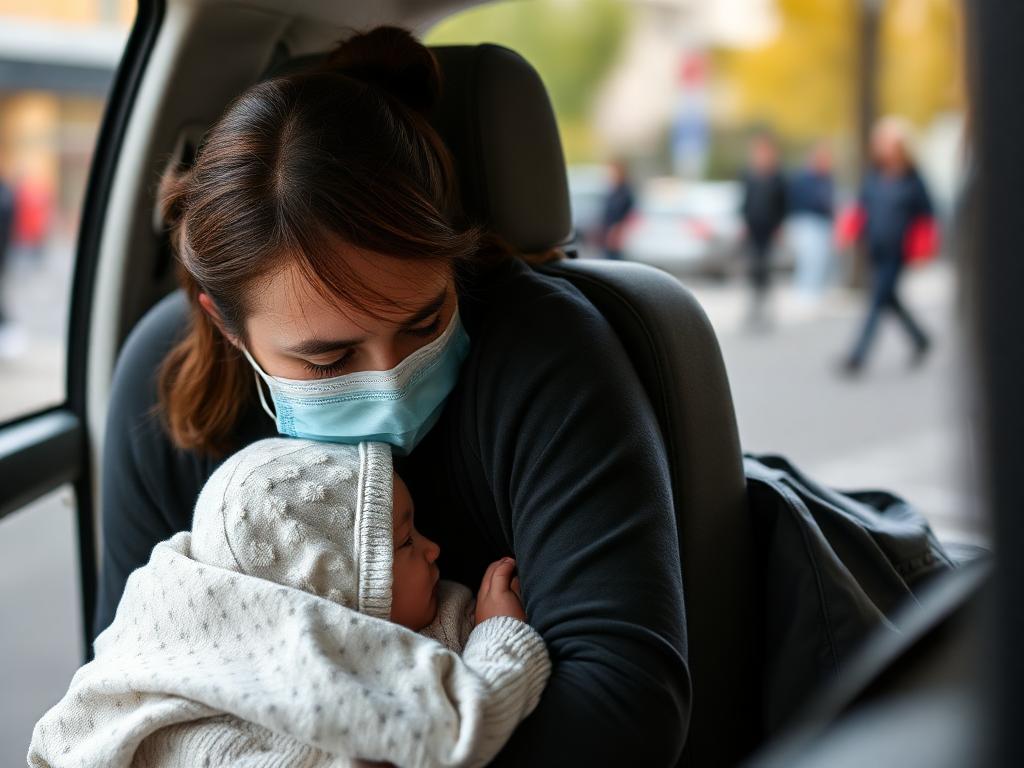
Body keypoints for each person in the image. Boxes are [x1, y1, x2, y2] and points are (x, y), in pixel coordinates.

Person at [93, 26, 689, 766]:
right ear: (229, 328)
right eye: (329, 357)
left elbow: (622, 715)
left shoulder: (547, 354)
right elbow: (138, 688)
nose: (389, 378)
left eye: (423, 322)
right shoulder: (165, 390)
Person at [30, 439, 550, 767]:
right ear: (334, 598)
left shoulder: (444, 608)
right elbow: (462, 725)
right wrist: (500, 635)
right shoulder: (213, 735)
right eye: (406, 541)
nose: (436, 549)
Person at [843, 117, 933, 373]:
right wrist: (851, 233)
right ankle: (921, 339)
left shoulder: (913, 179)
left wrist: (924, 246)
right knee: (889, 299)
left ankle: (857, 356)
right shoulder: (873, 176)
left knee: (877, 301)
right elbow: (862, 208)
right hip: (876, 248)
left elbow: (926, 214)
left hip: (898, 251)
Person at [739, 132, 788, 327]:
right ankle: (753, 308)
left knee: (766, 268)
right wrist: (743, 223)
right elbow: (745, 201)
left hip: (769, 229)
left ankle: (767, 309)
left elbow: (783, 204)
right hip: (753, 228)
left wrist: (780, 226)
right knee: (753, 268)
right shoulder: (749, 175)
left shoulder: (777, 177)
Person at [787, 142, 835, 306]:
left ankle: (814, 291)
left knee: (820, 259)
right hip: (807, 222)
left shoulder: (826, 179)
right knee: (808, 258)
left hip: (822, 223)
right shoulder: (804, 179)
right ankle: (804, 292)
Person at [598, 160, 635, 260]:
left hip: (617, 234)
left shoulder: (625, 191)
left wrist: (617, 229)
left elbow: (627, 212)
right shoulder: (613, 190)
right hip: (607, 232)